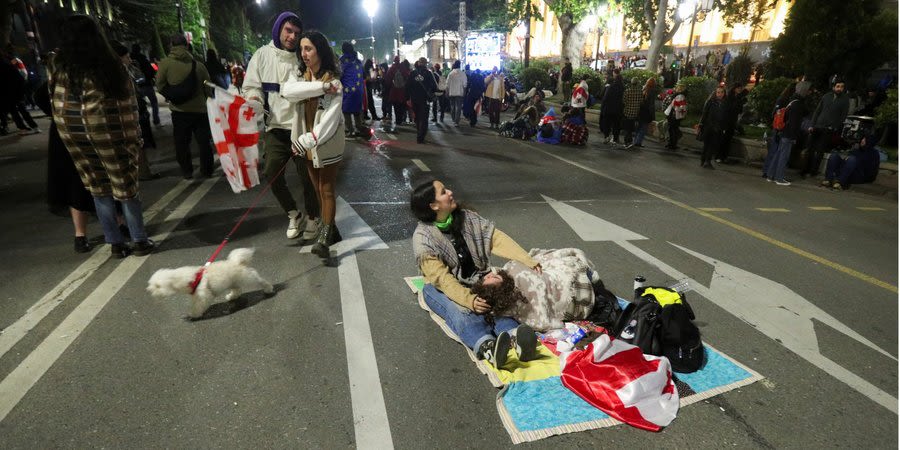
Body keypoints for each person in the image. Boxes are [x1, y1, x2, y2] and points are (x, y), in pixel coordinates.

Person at [49, 15, 154, 258]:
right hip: (111, 133)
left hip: (76, 136)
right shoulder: (109, 63)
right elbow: (128, 103)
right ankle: (139, 240)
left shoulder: (59, 65)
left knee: (98, 188)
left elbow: (53, 99)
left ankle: (115, 244)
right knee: (126, 187)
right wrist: (136, 136)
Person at [410, 179, 541, 368]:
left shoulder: (467, 218)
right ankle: (488, 346)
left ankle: (515, 336)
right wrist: (468, 299)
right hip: (441, 288)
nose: (450, 191)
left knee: (495, 302)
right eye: (443, 191)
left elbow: (495, 238)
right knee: (462, 313)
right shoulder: (423, 238)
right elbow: (443, 280)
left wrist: (527, 260)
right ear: (434, 205)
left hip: (477, 278)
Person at [242, 11, 319, 241]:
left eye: (296, 33)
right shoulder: (262, 55)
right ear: (278, 29)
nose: (292, 37)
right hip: (275, 128)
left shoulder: (302, 56)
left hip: (301, 128)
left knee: (308, 177)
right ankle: (293, 213)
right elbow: (251, 87)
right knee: (272, 173)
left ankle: (313, 217)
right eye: (288, 31)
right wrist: (254, 100)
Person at [282, 30, 345, 262]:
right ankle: (333, 228)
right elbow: (287, 91)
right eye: (301, 50)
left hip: (326, 143)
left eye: (308, 49)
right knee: (317, 188)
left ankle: (324, 238)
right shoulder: (301, 77)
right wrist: (320, 88)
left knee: (326, 189)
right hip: (306, 143)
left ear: (320, 50)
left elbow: (329, 123)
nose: (304, 54)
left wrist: (306, 140)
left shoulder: (334, 82)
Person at [471, 248, 622, 331]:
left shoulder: (506, 278)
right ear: (499, 290)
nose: (488, 276)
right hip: (573, 288)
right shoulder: (515, 278)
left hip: (574, 293)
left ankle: (590, 281)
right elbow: (541, 317)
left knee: (540, 261)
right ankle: (589, 280)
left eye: (485, 278)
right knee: (554, 264)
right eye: (488, 280)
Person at [156, 33, 215, 179]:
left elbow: (159, 85)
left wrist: (172, 96)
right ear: (187, 45)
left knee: (182, 142)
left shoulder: (165, 64)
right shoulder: (198, 65)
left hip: (179, 111)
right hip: (200, 111)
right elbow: (208, 87)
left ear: (171, 45)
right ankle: (206, 170)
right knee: (204, 142)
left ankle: (187, 170)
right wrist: (207, 98)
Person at [111, 41, 158, 180]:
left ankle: (140, 172)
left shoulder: (127, 70)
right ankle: (142, 173)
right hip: (128, 118)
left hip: (132, 115)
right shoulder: (118, 75)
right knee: (137, 144)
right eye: (126, 57)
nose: (129, 60)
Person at [765, 81, 811, 185]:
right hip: (789, 134)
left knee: (778, 154)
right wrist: (794, 136)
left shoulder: (792, 102)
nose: (810, 93)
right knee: (783, 156)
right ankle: (779, 178)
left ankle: (771, 175)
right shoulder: (798, 104)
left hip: (784, 131)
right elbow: (795, 123)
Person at [803, 79, 850, 178]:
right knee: (810, 149)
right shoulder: (826, 96)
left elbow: (843, 116)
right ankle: (804, 170)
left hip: (828, 129)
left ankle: (813, 171)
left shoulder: (845, 100)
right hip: (817, 126)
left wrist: (834, 127)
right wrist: (812, 124)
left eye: (842, 87)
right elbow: (817, 111)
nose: (839, 88)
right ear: (834, 87)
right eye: (838, 86)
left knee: (820, 151)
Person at [338, 42, 367, 139]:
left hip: (348, 90)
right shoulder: (358, 61)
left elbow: (339, 75)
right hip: (359, 90)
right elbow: (363, 75)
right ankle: (359, 128)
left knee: (346, 111)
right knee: (356, 111)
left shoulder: (342, 61)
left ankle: (350, 131)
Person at [407, 57, 437, 144]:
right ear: (426, 64)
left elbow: (408, 86)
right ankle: (421, 137)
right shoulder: (429, 73)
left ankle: (418, 133)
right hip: (424, 100)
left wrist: (408, 98)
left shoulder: (412, 73)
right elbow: (434, 87)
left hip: (414, 99)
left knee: (417, 117)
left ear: (419, 63)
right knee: (424, 118)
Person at [698, 86, 728, 169]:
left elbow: (725, 116)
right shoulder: (711, 102)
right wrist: (701, 124)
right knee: (707, 145)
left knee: (712, 145)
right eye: (718, 92)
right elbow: (705, 114)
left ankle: (707, 161)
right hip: (709, 127)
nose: (720, 94)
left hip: (718, 127)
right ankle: (704, 160)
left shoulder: (725, 103)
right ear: (715, 93)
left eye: (722, 92)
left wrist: (723, 127)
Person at [130, 44, 160, 125]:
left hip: (136, 87)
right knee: (154, 102)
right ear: (139, 49)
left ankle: (141, 122)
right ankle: (156, 120)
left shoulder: (129, 59)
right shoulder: (143, 58)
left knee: (140, 105)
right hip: (147, 84)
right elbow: (151, 71)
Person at [718, 84, 747, 163]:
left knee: (728, 139)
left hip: (733, 121)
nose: (739, 89)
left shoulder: (738, 98)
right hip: (727, 120)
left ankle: (724, 156)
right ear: (734, 89)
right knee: (723, 139)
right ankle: (720, 156)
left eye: (740, 88)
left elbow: (739, 110)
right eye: (738, 88)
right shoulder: (729, 98)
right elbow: (727, 109)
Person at [599, 69, 624, 146]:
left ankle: (607, 137)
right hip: (618, 110)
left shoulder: (611, 87)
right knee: (616, 124)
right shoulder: (623, 88)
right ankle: (615, 138)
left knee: (607, 123)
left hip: (609, 109)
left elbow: (605, 98)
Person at [384, 56, 409, 129]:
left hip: (394, 90)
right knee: (401, 106)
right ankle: (400, 120)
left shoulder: (392, 68)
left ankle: (397, 120)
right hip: (402, 90)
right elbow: (407, 76)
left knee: (395, 106)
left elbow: (388, 80)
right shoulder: (403, 68)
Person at [633, 77, 657, 148]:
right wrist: (653, 115)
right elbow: (651, 105)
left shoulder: (643, 89)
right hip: (646, 112)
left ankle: (635, 141)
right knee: (643, 128)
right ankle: (638, 142)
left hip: (640, 111)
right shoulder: (652, 91)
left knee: (639, 127)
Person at [663, 83, 687, 150]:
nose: (675, 89)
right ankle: (671, 143)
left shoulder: (680, 96)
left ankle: (672, 144)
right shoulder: (678, 95)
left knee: (673, 129)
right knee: (672, 129)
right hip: (674, 115)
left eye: (677, 88)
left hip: (675, 115)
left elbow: (678, 106)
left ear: (680, 89)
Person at [621, 77, 642, 148]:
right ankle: (630, 141)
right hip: (636, 112)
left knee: (627, 128)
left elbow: (623, 101)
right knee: (631, 127)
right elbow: (641, 102)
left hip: (627, 112)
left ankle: (627, 141)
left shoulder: (627, 91)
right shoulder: (640, 92)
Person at [445, 60, 466, 126]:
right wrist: (464, 91)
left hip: (451, 92)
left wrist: (447, 92)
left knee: (452, 106)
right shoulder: (462, 73)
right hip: (459, 93)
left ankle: (453, 119)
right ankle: (456, 122)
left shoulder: (450, 73)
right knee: (458, 107)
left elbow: (447, 84)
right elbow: (465, 84)